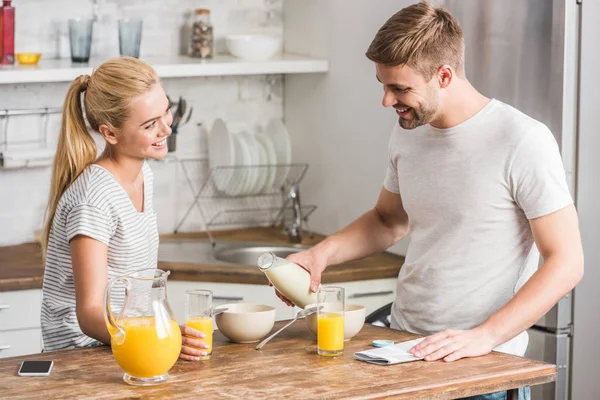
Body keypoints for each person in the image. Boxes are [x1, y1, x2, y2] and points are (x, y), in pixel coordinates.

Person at [282, 3, 584, 399]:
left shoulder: (521, 140)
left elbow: (567, 261)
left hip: (480, 368)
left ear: (444, 75)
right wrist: (321, 255)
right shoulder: (410, 132)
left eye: (400, 88)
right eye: (383, 85)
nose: (387, 102)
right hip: (401, 348)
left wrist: (485, 336)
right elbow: (388, 220)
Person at [40, 57, 207, 361]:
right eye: (149, 124)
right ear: (111, 134)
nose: (166, 129)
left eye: (165, 111)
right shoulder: (94, 197)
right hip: (81, 359)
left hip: (128, 345)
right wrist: (161, 336)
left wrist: (157, 333)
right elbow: (90, 314)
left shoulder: (145, 176)